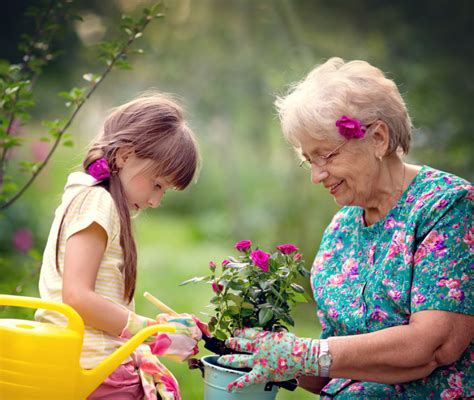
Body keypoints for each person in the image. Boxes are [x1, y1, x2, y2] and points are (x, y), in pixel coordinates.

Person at [218, 58, 473, 398]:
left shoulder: (447, 206)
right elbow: (329, 369)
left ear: (378, 138)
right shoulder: (340, 229)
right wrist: (258, 353)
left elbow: (434, 344)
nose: (316, 175)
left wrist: (305, 353)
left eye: (327, 156)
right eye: (309, 161)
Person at [35, 92, 207, 400]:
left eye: (164, 192)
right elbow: (76, 296)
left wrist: (156, 328)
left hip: (88, 360)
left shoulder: (94, 198)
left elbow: (96, 298)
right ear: (125, 156)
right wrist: (149, 334)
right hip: (91, 368)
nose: (155, 201)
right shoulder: (97, 202)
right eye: (157, 184)